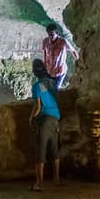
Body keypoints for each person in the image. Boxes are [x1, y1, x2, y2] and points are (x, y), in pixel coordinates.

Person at [29, 58, 62, 191]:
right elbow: (55, 100)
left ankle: (39, 183)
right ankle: (57, 178)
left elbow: (38, 106)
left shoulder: (37, 86)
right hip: (55, 119)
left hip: (44, 120)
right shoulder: (52, 83)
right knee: (54, 150)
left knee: (40, 152)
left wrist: (31, 118)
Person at [40, 23, 79, 88]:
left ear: (57, 33)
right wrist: (45, 64)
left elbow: (73, 51)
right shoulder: (45, 41)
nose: (50, 36)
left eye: (52, 34)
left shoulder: (63, 42)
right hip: (48, 70)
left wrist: (78, 62)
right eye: (48, 34)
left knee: (55, 90)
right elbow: (45, 52)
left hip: (59, 72)